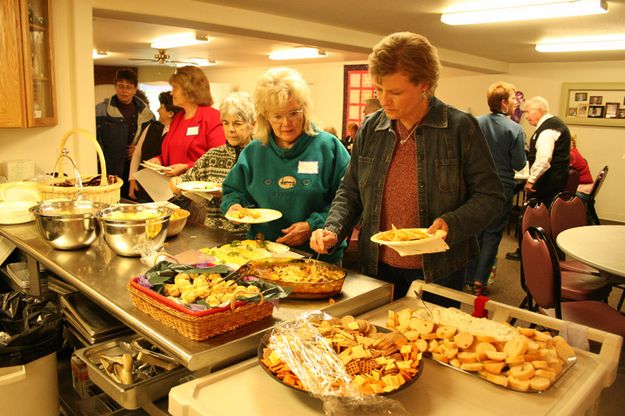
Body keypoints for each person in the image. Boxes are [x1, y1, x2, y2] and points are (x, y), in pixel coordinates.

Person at [310, 32, 504, 302]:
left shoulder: (459, 127)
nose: (384, 100)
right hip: (377, 267)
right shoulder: (371, 127)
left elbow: (491, 197)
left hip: (439, 270)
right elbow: (351, 191)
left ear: (424, 84)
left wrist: (452, 223)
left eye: (395, 92)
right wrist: (333, 228)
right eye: (378, 90)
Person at [221, 67, 351, 262]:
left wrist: (312, 225)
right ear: (265, 117)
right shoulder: (254, 151)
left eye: (293, 113)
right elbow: (232, 190)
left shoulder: (329, 147)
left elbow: (348, 201)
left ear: (304, 109)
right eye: (277, 116)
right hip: (263, 252)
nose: (286, 123)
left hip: (317, 256)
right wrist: (235, 206)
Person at [465, 82, 527, 295]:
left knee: (474, 231)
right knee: (492, 233)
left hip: (474, 185)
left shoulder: (474, 123)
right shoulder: (515, 129)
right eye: (512, 99)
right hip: (501, 187)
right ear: (503, 103)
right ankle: (480, 280)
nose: (515, 103)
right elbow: (519, 163)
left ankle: (467, 275)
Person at [170, 92, 255, 234]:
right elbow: (184, 183)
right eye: (226, 123)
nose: (230, 129)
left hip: (250, 234)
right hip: (213, 233)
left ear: (253, 125)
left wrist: (225, 193)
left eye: (237, 123)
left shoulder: (259, 157)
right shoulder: (211, 156)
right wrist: (176, 183)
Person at [147, 66, 226, 177]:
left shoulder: (212, 117)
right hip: (173, 188)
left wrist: (186, 167)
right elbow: (172, 151)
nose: (171, 93)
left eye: (175, 88)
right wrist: (159, 160)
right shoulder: (178, 118)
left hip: (198, 187)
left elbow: (219, 159)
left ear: (189, 90)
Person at [96, 69, 154, 199]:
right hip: (110, 170)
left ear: (135, 89)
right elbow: (95, 140)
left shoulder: (147, 114)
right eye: (120, 86)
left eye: (128, 87)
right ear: (115, 87)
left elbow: (152, 142)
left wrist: (138, 149)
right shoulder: (101, 110)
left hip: (136, 172)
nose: (124, 91)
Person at [128, 91, 182, 202]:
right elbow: (137, 154)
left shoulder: (179, 132)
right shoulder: (151, 127)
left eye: (161, 107)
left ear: (170, 113)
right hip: (143, 184)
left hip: (166, 191)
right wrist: (132, 179)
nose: (157, 110)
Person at [523, 96, 571, 206]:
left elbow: (544, 159)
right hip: (554, 181)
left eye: (528, 112)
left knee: (539, 215)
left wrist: (531, 180)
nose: (526, 116)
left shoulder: (547, 130)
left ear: (539, 111)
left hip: (548, 184)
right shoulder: (552, 125)